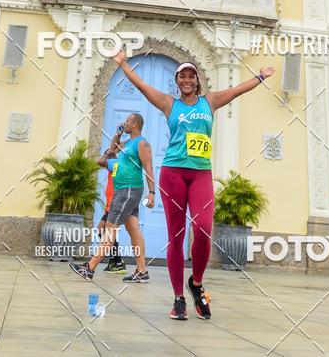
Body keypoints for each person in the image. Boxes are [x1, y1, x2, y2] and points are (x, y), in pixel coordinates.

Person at [114, 49, 275, 321]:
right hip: (173, 174)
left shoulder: (209, 103)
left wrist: (260, 77)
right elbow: (141, 86)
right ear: (177, 82)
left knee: (203, 228)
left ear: (197, 80)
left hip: (200, 174)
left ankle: (196, 283)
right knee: (176, 237)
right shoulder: (169, 104)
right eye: (182, 77)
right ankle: (178, 299)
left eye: (191, 76)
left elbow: (236, 90)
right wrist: (123, 63)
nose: (187, 80)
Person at [70, 113, 155, 283]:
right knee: (133, 229)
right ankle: (142, 271)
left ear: (136, 124)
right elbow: (111, 151)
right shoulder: (127, 143)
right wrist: (118, 133)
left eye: (128, 121)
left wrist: (152, 193)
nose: (125, 123)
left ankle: (90, 267)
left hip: (128, 190)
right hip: (123, 190)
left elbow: (148, 168)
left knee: (110, 227)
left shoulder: (142, 143)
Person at [98, 127, 127, 273]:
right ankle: (115, 261)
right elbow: (103, 159)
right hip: (110, 202)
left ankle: (117, 261)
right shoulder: (112, 165)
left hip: (115, 203)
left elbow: (104, 158)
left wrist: (111, 152)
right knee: (103, 231)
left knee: (104, 230)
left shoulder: (117, 164)